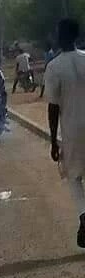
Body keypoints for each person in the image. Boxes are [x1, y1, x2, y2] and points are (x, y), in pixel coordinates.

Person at [45, 18, 85, 247]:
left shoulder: (54, 66)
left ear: (60, 37)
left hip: (72, 130)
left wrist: (53, 140)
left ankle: (83, 214)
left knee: (73, 176)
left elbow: (53, 106)